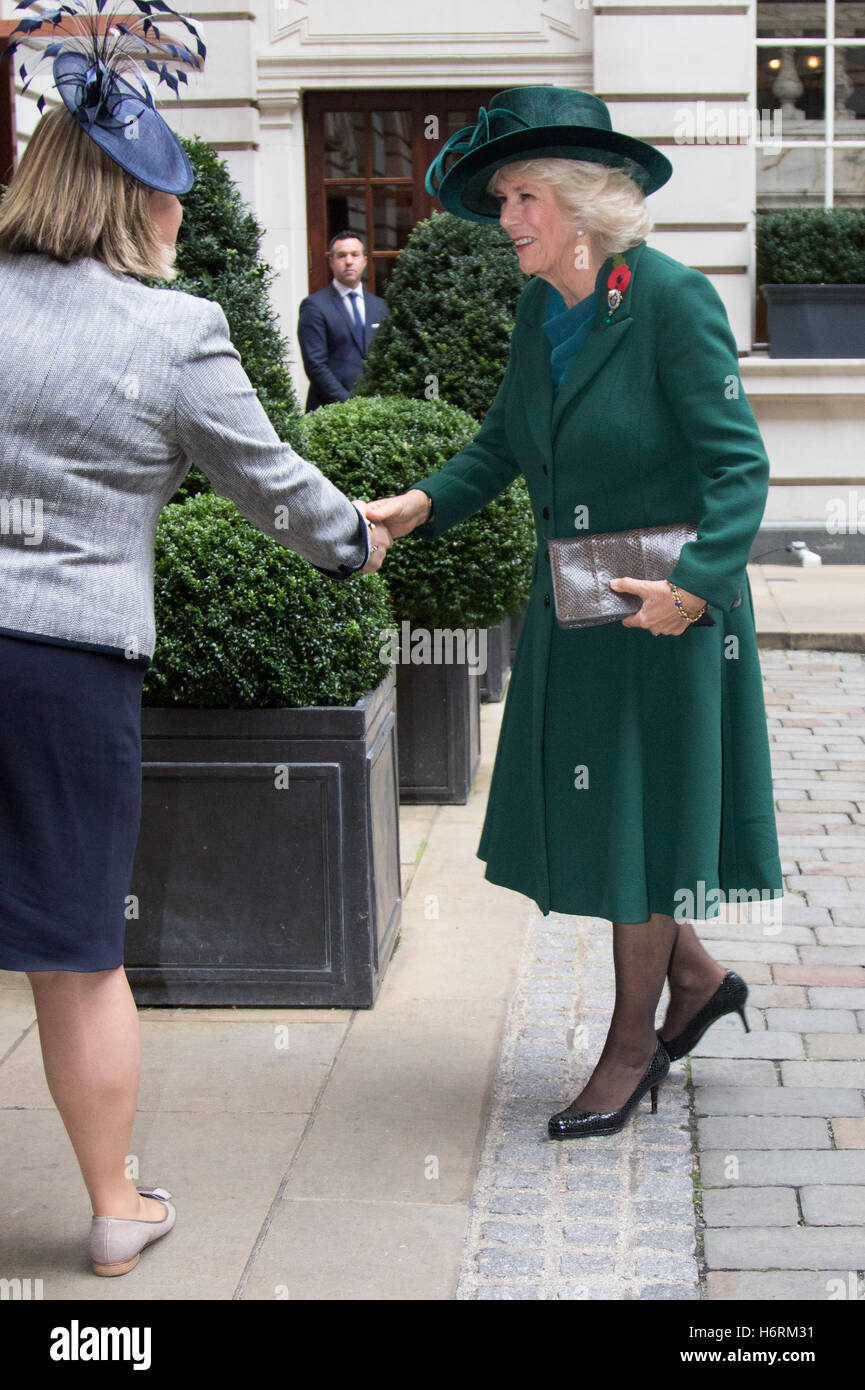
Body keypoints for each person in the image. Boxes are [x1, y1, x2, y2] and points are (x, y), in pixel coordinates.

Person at [0, 3, 392, 1275]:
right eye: (172, 195)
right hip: (63, 665)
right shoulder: (174, 333)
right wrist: (354, 540)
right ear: (136, 203)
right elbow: (273, 483)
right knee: (72, 950)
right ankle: (117, 1206)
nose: (183, 216)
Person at [365, 87, 783, 1139]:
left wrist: (693, 588)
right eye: (504, 198)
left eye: (522, 197)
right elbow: (506, 438)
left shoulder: (674, 298)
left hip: (660, 611)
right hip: (575, 604)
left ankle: (632, 1046)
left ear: (586, 202)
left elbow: (740, 468)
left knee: (633, 830)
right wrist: (417, 505)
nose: (506, 219)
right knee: (609, 822)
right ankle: (696, 982)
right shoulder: (541, 308)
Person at [297, 230, 389, 411]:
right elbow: (315, 365)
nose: (348, 261)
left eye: (354, 255)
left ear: (364, 260)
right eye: (341, 256)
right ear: (331, 262)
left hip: (375, 409)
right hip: (330, 411)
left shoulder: (381, 307)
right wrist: (349, 405)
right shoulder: (314, 306)